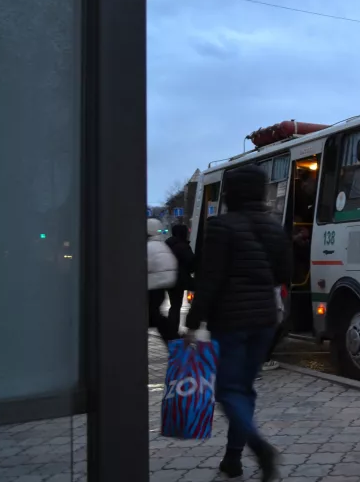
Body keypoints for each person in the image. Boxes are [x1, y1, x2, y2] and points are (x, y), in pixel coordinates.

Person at [184, 165, 291, 482]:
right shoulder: (274, 228)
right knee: (243, 389)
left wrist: (192, 322)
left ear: (230, 193)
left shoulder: (221, 227)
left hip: (230, 320)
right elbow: (285, 273)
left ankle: (260, 449)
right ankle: (232, 459)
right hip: (265, 321)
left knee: (228, 390)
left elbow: (209, 279)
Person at [147, 218, 178, 346]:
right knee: (154, 316)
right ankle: (174, 339)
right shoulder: (162, 245)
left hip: (151, 287)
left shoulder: (148, 247)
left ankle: (174, 339)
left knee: (153, 317)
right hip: (161, 287)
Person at [164, 224, 195, 339]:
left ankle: (171, 330)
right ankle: (173, 331)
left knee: (174, 306)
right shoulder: (183, 246)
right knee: (176, 306)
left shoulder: (167, 244)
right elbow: (192, 264)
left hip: (168, 278)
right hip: (179, 280)